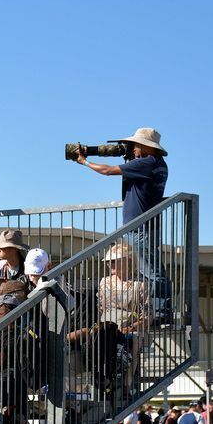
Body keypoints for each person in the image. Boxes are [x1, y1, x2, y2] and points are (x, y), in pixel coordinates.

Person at [74, 127, 170, 320]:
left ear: (144, 146)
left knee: (150, 272)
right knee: (150, 271)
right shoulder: (158, 164)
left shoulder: (146, 163)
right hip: (147, 226)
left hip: (141, 227)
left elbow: (108, 171)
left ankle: (161, 313)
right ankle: (157, 311)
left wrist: (84, 161)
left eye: (135, 145)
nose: (132, 148)